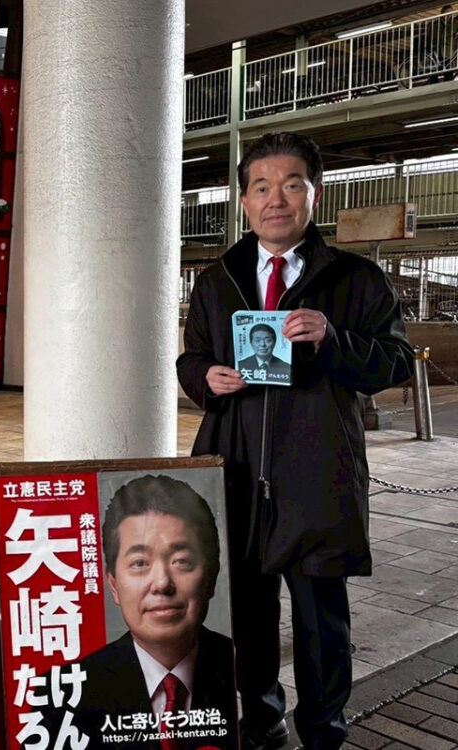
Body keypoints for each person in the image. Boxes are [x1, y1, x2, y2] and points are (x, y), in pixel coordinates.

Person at [177, 132, 413, 750]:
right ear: (244, 201)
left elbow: (394, 363)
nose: (275, 199)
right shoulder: (218, 280)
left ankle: (324, 732)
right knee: (247, 617)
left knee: (320, 622)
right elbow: (190, 357)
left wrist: (334, 340)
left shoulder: (356, 279)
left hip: (317, 473)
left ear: (315, 193)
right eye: (261, 187)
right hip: (235, 469)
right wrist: (204, 377)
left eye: (290, 185)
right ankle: (261, 724)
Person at [61, 475, 238, 750]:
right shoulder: (66, 691)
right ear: (113, 585)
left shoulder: (240, 666)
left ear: (211, 577)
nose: (162, 583)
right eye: (140, 563)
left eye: (181, 561)